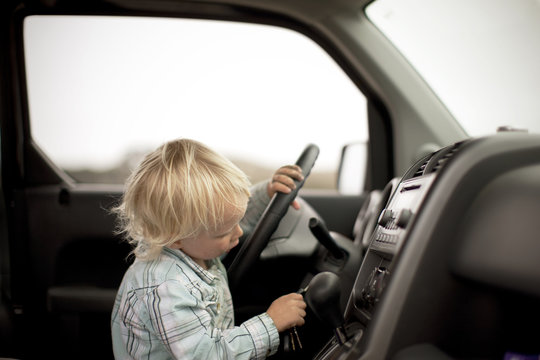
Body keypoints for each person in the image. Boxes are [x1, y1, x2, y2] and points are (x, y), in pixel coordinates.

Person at [111, 138, 307, 359]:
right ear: (176, 239)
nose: (239, 233)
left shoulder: (189, 243)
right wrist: (270, 323)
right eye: (224, 233)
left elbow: (226, 216)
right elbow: (207, 355)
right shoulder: (167, 288)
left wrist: (267, 194)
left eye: (238, 222)